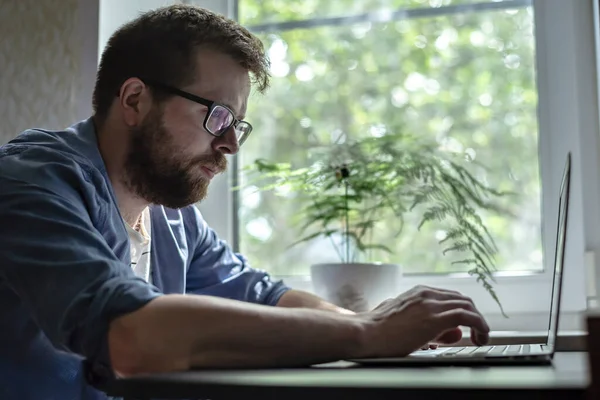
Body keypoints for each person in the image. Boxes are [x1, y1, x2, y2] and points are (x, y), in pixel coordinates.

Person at [0, 4, 490, 399]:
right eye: (217, 116)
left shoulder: (173, 217)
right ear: (134, 101)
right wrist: (365, 337)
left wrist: (375, 323)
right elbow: (130, 336)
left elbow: (263, 296)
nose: (231, 142)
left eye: (238, 123)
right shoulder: (32, 182)